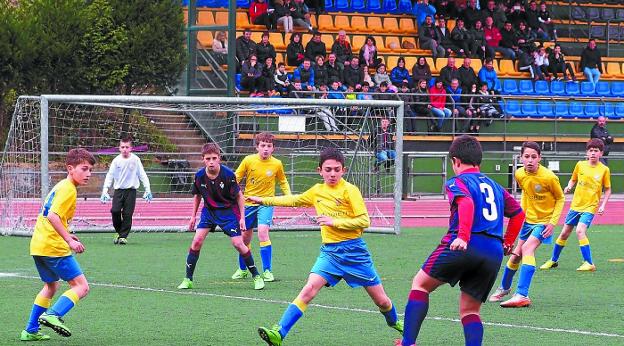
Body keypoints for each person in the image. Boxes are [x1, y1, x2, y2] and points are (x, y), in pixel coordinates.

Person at [252, 147, 404, 346]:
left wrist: (334, 222)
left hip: (355, 252)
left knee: (382, 301)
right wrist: (263, 199)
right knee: (308, 290)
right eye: (328, 169)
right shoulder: (317, 191)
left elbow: (364, 220)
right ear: (320, 170)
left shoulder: (350, 190)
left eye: (336, 169)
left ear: (343, 170)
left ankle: (399, 325)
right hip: (330, 253)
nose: (332, 173)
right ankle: (279, 333)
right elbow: (294, 200)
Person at [398, 135, 525, 346]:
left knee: (420, 285)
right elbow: (518, 213)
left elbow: (465, 202)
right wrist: (508, 242)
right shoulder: (495, 186)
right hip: (493, 251)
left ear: (455, 161)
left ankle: (408, 342)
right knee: (470, 310)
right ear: (479, 161)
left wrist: (463, 236)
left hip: (465, 244)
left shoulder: (458, 182)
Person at [20, 148, 96, 341]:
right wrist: (68, 240)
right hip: (53, 247)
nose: (88, 174)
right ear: (70, 168)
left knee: (51, 286)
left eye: (90, 170)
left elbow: (51, 216)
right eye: (84, 169)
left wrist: (68, 233)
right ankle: (53, 314)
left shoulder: (61, 185)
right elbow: (53, 216)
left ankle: (30, 330)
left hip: (39, 244)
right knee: (82, 286)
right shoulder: (68, 190)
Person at [177, 143, 265, 291]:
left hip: (228, 212)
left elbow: (239, 196)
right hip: (209, 212)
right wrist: (193, 217)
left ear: (219, 158)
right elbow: (197, 196)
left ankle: (256, 276)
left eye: (214, 158)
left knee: (238, 244)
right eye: (207, 158)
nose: (211, 161)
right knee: (196, 241)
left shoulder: (228, 175)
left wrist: (242, 218)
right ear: (203, 159)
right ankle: (188, 279)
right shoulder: (199, 176)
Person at [489, 141, 564, 308]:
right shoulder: (519, 174)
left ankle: (522, 294)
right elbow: (526, 193)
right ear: (521, 158)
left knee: (527, 249)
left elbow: (560, 199)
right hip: (527, 221)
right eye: (527, 156)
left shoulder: (549, 177)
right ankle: (504, 288)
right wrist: (521, 214)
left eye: (534, 157)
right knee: (516, 255)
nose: (530, 160)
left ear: (540, 158)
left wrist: (552, 223)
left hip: (543, 223)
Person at [540, 139, 611, 272]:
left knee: (580, 230)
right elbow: (573, 179)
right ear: (587, 152)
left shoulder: (604, 170)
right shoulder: (580, 165)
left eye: (596, 151)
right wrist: (569, 186)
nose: (593, 153)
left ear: (601, 153)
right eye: (591, 150)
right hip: (575, 206)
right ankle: (553, 260)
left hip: (590, 207)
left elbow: (607, 189)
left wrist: (603, 205)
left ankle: (589, 263)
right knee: (564, 234)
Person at [231, 133, 291, 282]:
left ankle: (267, 271)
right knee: (245, 238)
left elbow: (283, 181)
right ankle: (243, 269)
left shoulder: (277, 164)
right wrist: (229, 193)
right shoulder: (248, 160)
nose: (265, 149)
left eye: (269, 146)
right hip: (248, 204)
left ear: (273, 149)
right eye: (263, 145)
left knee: (263, 232)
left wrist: (289, 196)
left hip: (266, 203)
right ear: (257, 147)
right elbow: (235, 179)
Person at [101, 137, 152, 245]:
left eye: (127, 147)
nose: (125, 149)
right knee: (115, 211)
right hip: (118, 190)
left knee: (127, 214)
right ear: (119, 148)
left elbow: (142, 175)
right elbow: (110, 176)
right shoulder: (116, 161)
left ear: (131, 148)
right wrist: (105, 190)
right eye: (122, 147)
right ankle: (119, 232)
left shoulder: (135, 160)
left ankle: (123, 236)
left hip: (131, 191)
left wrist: (147, 189)